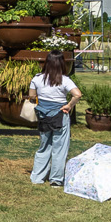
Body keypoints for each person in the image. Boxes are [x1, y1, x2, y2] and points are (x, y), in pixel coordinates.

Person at [27, 52, 79, 187]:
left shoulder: (37, 78)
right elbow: (77, 94)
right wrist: (69, 105)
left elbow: (31, 96)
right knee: (60, 148)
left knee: (44, 146)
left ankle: (37, 177)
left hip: (43, 115)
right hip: (60, 115)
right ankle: (56, 179)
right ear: (62, 63)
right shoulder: (65, 80)